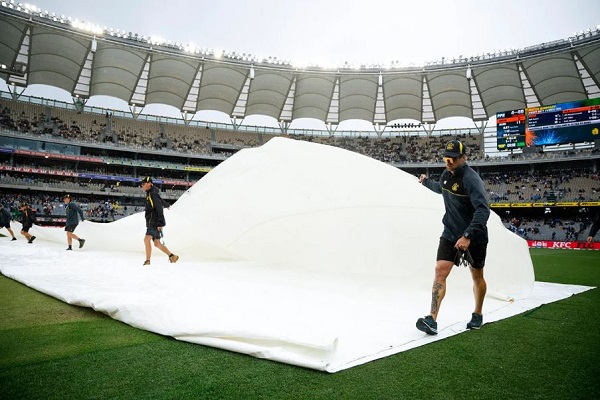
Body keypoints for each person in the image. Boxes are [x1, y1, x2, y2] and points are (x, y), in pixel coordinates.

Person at [416, 140, 490, 335]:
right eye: (446, 158)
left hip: (474, 236)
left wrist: (467, 236)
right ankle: (431, 319)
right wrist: (425, 181)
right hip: (450, 232)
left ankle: (478, 314)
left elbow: (483, 210)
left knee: (477, 275)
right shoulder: (446, 174)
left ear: (463, 158)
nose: (449, 162)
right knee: (440, 271)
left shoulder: (471, 179)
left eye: (453, 159)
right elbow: (441, 188)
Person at [141, 177, 179, 265]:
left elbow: (159, 208)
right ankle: (172, 256)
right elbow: (160, 201)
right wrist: (167, 205)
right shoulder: (151, 193)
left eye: (144, 183)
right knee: (157, 243)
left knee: (146, 240)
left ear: (149, 184)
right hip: (153, 221)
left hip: (154, 222)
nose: (142, 185)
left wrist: (160, 223)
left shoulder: (152, 194)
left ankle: (147, 261)